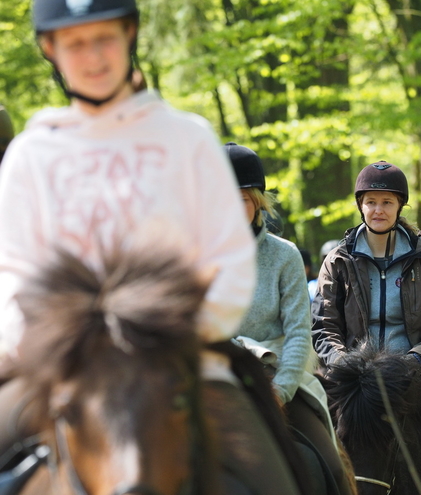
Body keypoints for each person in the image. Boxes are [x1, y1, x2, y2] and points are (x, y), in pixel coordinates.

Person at [0, 0, 269, 484]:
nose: (94, 56)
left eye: (104, 37)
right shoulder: (30, 156)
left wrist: (179, 330)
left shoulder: (188, 139)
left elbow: (230, 260)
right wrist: (44, 345)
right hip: (63, 366)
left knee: (281, 469)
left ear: (130, 34)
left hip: (180, 356)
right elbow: (11, 274)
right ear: (49, 49)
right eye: (76, 43)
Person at [312, 160, 421, 495]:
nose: (378, 210)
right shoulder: (337, 260)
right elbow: (322, 326)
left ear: (399, 206)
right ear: (360, 205)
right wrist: (346, 366)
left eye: (387, 202)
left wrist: (414, 360)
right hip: (351, 386)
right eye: (371, 202)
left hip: (413, 379)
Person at [225, 142, 353, 495]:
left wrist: (280, 391)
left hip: (278, 373)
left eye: (242, 199)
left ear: (257, 202)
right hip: (219, 375)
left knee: (329, 464)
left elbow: (299, 333)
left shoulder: (284, 256)